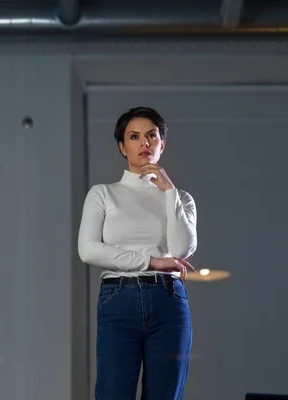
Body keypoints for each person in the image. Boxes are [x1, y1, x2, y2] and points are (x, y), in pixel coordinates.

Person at [78, 106, 198, 400]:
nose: (144, 143)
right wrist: (153, 261)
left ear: (162, 144)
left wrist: (169, 192)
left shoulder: (181, 198)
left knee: (165, 395)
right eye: (134, 137)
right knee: (112, 393)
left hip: (168, 300)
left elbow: (183, 249)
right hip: (119, 299)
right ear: (122, 147)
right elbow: (88, 250)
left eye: (151, 136)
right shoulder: (103, 194)